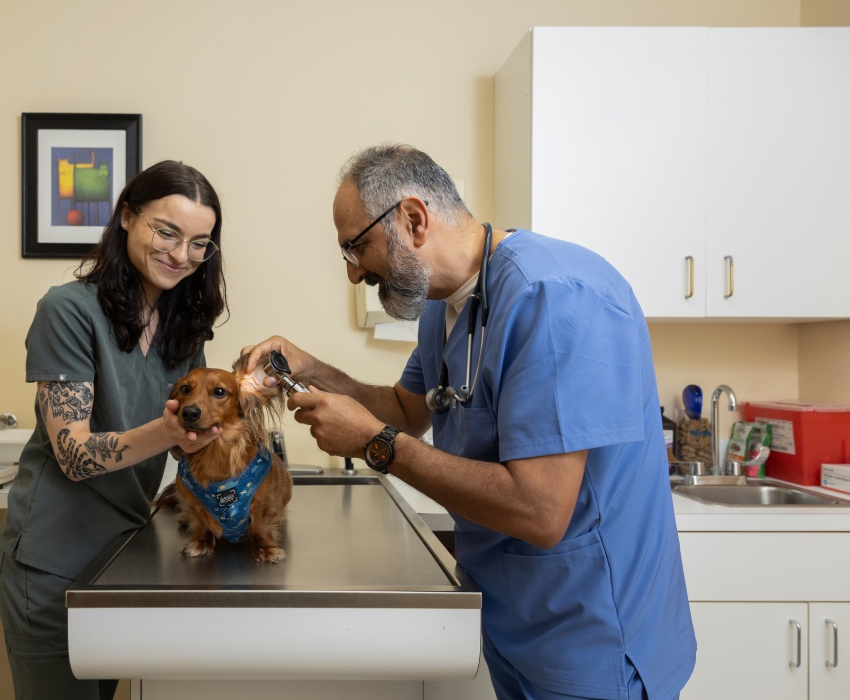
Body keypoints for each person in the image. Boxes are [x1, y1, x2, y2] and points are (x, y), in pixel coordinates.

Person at [243, 144, 696, 700]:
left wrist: (371, 443)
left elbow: (541, 510)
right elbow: (407, 411)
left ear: (412, 219)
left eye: (357, 247)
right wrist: (310, 367)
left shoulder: (553, 298)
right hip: (515, 619)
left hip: (590, 635)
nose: (355, 272)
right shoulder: (444, 306)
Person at [0, 160, 228, 700]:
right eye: (166, 232)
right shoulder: (68, 310)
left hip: (127, 555)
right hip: (54, 560)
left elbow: (197, 437)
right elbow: (74, 454)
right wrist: (173, 432)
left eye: (199, 243)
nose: (180, 254)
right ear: (127, 217)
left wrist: (241, 406)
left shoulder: (182, 328)